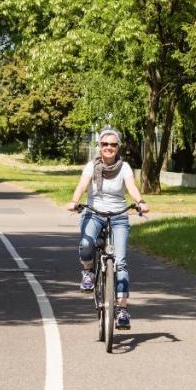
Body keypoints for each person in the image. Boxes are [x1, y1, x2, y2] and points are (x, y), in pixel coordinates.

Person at [68, 128, 149, 330]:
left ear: (118, 147)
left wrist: (140, 202)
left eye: (113, 144)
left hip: (118, 215)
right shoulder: (91, 166)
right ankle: (88, 272)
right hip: (94, 212)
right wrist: (74, 201)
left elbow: (131, 187)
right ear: (100, 146)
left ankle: (122, 310)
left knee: (120, 262)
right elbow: (82, 185)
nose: (109, 148)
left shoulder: (125, 168)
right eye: (105, 144)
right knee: (86, 243)